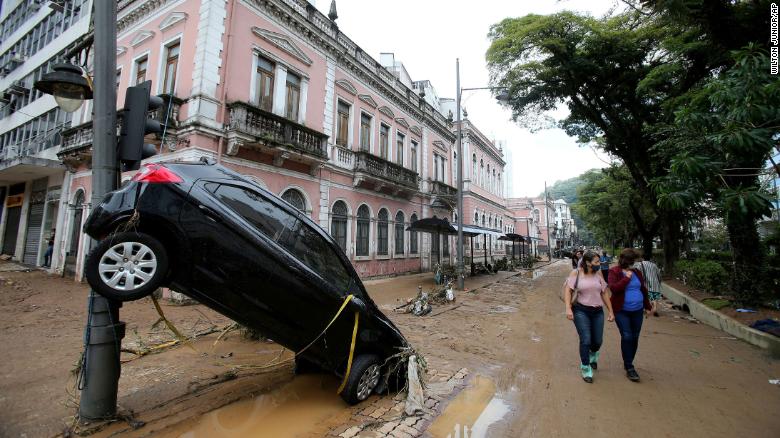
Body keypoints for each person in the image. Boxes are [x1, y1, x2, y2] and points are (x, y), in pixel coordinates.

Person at [564, 250, 614, 383]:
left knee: (597, 341)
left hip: (597, 312)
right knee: (586, 339)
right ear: (587, 262)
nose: (600, 264)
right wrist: (568, 308)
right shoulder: (576, 273)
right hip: (581, 310)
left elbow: (604, 293)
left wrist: (611, 311)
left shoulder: (598, 273)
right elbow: (568, 290)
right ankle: (586, 367)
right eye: (597, 262)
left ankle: (593, 356)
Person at [608, 248, 653, 382]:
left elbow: (643, 289)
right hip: (622, 310)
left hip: (637, 310)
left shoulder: (637, 272)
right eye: (632, 260)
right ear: (625, 260)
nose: (634, 263)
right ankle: (629, 367)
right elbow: (614, 289)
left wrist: (648, 306)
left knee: (635, 337)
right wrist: (626, 278)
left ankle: (628, 361)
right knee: (627, 336)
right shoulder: (614, 272)